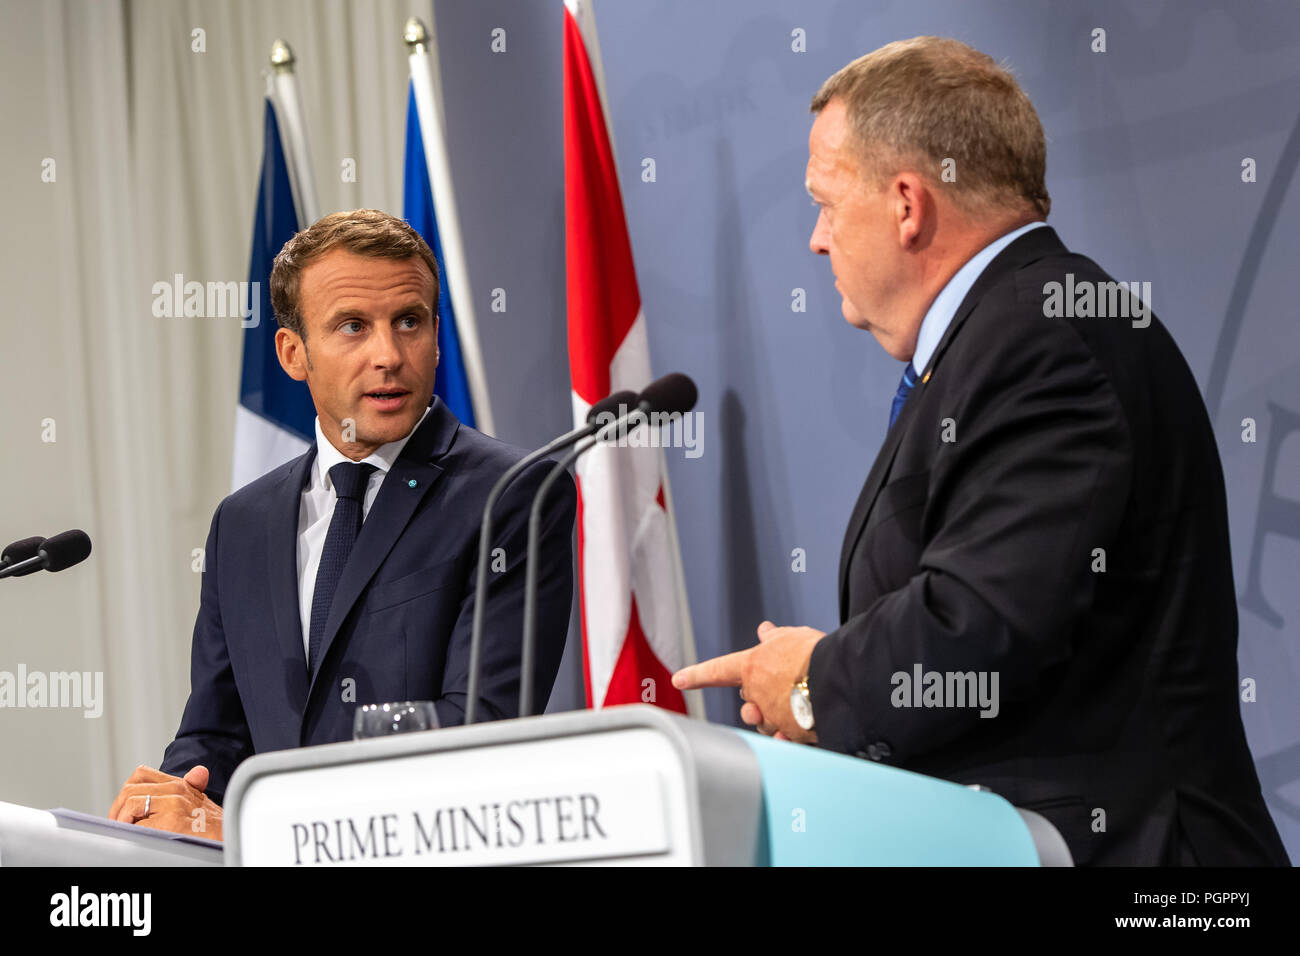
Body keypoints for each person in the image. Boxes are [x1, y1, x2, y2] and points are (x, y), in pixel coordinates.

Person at [673, 37, 1289, 866]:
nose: (817, 241)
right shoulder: (1008, 335)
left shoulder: (1046, 337)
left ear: (906, 203)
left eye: (826, 201)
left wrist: (818, 681)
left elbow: (982, 625)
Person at [109, 210, 576, 841]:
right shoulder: (241, 525)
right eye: (353, 327)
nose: (388, 356)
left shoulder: (512, 493)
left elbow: (482, 725)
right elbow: (218, 731)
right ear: (292, 353)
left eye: (408, 321)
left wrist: (264, 823)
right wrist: (172, 805)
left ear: (437, 334)